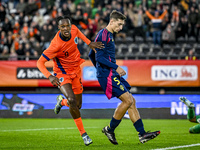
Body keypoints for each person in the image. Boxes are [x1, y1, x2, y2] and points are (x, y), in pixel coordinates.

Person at [89, 10, 160, 145]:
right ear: (112, 21)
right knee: (127, 100)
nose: (121, 28)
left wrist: (99, 68)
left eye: (122, 25)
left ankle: (142, 134)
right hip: (108, 73)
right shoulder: (103, 35)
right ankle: (110, 129)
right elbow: (99, 57)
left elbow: (91, 55)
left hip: (109, 72)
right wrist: (113, 67)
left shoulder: (107, 35)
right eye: (119, 24)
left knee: (131, 100)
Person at [37, 15, 104, 146]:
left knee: (77, 105)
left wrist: (89, 43)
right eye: (63, 27)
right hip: (62, 73)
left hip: (76, 71)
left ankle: (61, 102)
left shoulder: (73, 29)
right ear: (59, 28)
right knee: (72, 100)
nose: (66, 28)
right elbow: (40, 62)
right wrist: (49, 76)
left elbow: (78, 32)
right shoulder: (55, 45)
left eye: (67, 25)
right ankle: (84, 134)